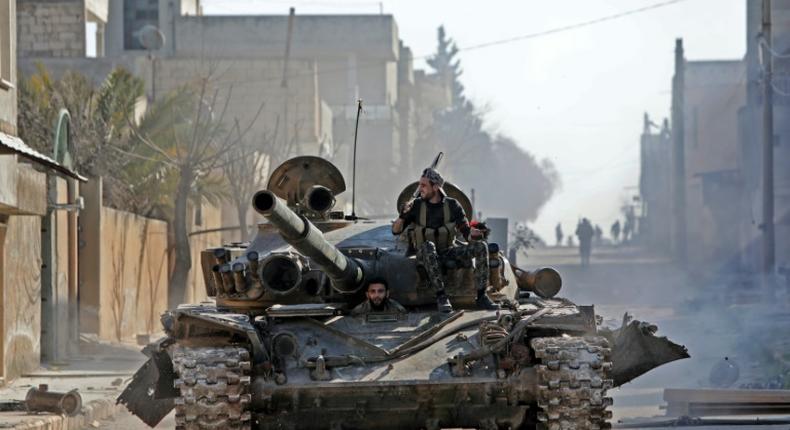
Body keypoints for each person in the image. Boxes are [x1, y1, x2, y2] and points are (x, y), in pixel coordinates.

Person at [392, 168, 499, 313]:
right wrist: (403, 215)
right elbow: (396, 230)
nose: (420, 189)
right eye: (420, 185)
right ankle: (441, 296)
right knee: (428, 246)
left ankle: (481, 296)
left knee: (481, 246)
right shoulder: (416, 206)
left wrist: (473, 234)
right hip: (425, 255)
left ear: (435, 187)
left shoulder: (453, 205)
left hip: (447, 251)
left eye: (424, 185)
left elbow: (466, 232)